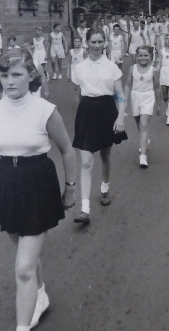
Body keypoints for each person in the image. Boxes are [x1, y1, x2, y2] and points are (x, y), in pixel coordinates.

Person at [0, 48, 76, 331]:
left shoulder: (45, 110)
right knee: (25, 254)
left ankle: (21, 326)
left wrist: (70, 188)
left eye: (16, 74)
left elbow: (66, 150)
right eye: (3, 76)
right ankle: (39, 295)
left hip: (38, 183)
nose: (9, 81)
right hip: (6, 184)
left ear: (31, 75)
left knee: (24, 267)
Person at [72, 28, 127, 224]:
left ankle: (104, 188)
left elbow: (120, 94)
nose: (96, 46)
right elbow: (78, 93)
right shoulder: (79, 68)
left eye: (100, 42)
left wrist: (120, 117)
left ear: (105, 43)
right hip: (87, 112)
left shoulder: (112, 67)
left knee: (105, 154)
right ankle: (84, 209)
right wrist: (81, 114)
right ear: (86, 43)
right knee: (86, 161)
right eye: (93, 42)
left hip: (106, 111)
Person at [124, 45, 160, 168]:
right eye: (140, 55)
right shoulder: (132, 69)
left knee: (143, 125)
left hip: (148, 97)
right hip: (135, 97)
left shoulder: (153, 70)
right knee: (138, 123)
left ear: (151, 56)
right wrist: (124, 101)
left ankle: (143, 156)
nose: (143, 58)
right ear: (136, 56)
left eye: (146, 55)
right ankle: (145, 140)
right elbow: (128, 85)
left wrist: (158, 105)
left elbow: (157, 87)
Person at [67, 35, 87, 102]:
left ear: (81, 42)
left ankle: (79, 106)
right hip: (74, 71)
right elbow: (69, 63)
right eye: (75, 41)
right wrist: (68, 73)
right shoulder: (71, 51)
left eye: (78, 41)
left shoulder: (83, 51)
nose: (76, 43)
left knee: (80, 90)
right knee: (75, 88)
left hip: (82, 71)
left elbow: (87, 62)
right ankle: (81, 98)